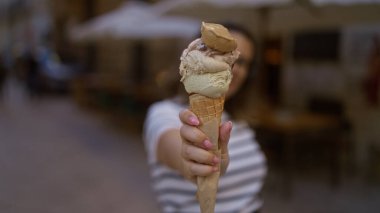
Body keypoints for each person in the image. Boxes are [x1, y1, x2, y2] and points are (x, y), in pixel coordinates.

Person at [143, 23, 267, 213]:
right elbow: (177, 151)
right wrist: (193, 162)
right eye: (221, 54)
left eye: (242, 63)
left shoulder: (239, 119)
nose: (233, 68)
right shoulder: (164, 113)